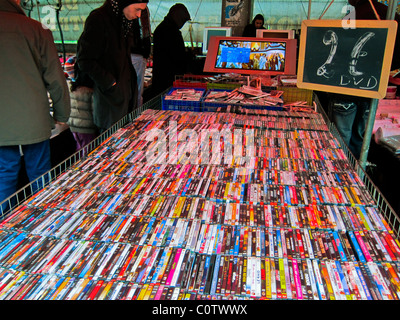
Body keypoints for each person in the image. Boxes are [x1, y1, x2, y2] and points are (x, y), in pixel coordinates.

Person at [0, 0, 70, 211]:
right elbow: (56, 79)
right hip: (34, 117)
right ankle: (42, 224)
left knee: (4, 174)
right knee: (40, 174)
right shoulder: (36, 28)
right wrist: (62, 113)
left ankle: (6, 231)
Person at [327, 0, 400, 160]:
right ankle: (354, 174)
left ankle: (342, 172)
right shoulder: (386, 13)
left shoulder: (354, 14)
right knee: (360, 139)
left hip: (343, 90)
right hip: (370, 90)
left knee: (340, 140)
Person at [74, 0, 148, 134]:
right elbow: (84, 60)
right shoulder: (99, 19)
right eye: (137, 9)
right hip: (110, 105)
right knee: (110, 148)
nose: (139, 15)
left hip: (124, 101)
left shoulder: (125, 21)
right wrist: (110, 83)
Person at [152, 3, 192, 96]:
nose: (182, 24)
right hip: (167, 80)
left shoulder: (164, 28)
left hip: (163, 79)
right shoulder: (169, 31)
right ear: (177, 16)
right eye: (183, 20)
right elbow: (177, 56)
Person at [131, 6, 151, 108]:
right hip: (136, 53)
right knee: (137, 93)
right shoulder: (138, 7)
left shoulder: (141, 7)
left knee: (136, 93)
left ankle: (135, 116)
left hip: (137, 52)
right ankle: (135, 116)